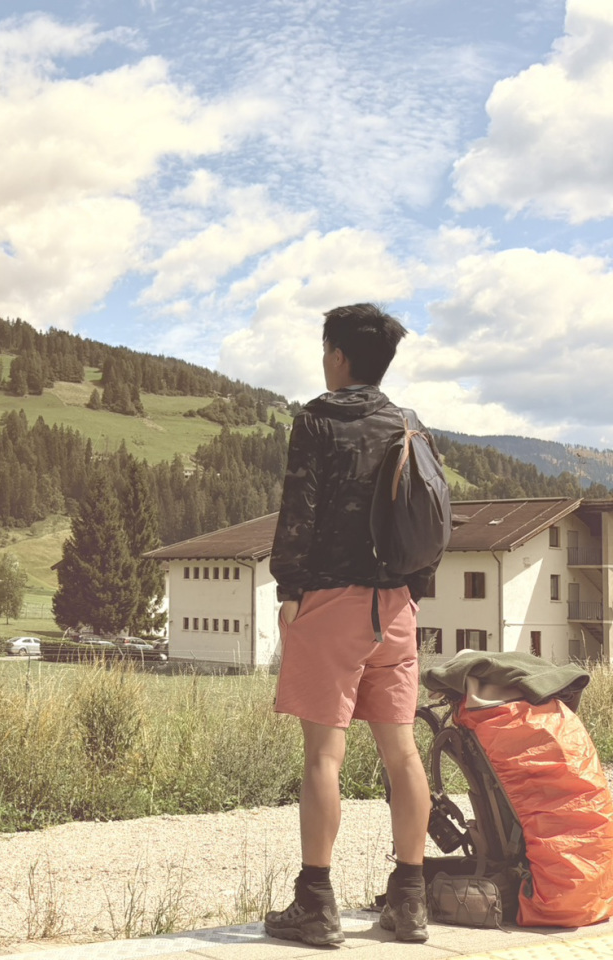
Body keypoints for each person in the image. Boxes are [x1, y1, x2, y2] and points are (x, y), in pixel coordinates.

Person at [265, 303, 440, 946]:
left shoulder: (316, 420)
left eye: (324, 350)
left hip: (330, 601)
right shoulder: (410, 423)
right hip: (396, 606)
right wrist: (412, 591)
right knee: (402, 751)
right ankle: (410, 902)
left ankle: (316, 902)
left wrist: (290, 589)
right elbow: (426, 514)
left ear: (338, 356)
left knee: (323, 754)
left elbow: (299, 511)